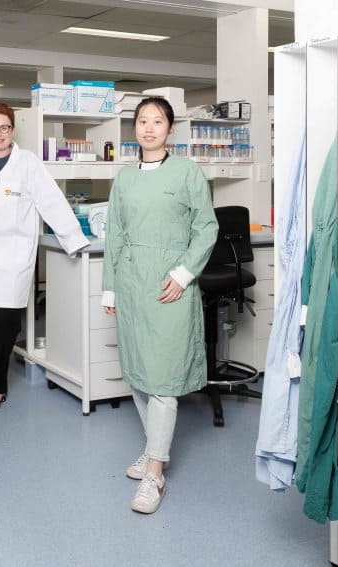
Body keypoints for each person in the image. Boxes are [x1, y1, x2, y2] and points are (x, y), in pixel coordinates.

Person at [101, 96, 218, 514]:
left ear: (170, 129)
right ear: (134, 128)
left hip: (170, 284)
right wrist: (110, 288)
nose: (149, 128)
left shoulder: (188, 173)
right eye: (142, 121)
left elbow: (207, 229)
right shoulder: (124, 178)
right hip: (132, 283)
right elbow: (114, 235)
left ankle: (155, 472)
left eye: (158, 121)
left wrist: (184, 274)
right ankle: (153, 447)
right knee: (137, 374)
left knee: (164, 380)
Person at [0, 102, 90, 414]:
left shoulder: (28, 164)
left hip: (12, 260)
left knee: (5, 326)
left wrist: (74, 240)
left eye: (4, 127)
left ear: (12, 130)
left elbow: (52, 202)